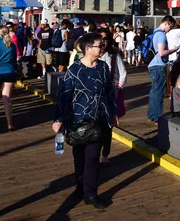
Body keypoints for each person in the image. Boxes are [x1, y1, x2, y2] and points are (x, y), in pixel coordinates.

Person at [53, 33, 117, 210]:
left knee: (92, 157)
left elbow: (109, 91)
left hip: (98, 119)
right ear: (88, 49)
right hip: (77, 119)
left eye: (102, 45)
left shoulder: (103, 67)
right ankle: (80, 186)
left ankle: (91, 194)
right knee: (79, 157)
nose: (103, 47)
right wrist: (58, 119)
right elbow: (64, 95)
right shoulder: (74, 69)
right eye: (99, 45)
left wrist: (113, 111)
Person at [98, 31, 127, 164]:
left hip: (110, 95)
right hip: (95, 97)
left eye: (105, 39)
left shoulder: (114, 56)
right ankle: (94, 153)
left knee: (108, 127)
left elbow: (123, 73)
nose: (103, 42)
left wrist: (118, 87)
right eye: (100, 39)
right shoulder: (91, 56)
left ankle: (105, 154)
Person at [147, 16, 178, 125]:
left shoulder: (155, 33)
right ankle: (157, 118)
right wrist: (173, 50)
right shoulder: (161, 35)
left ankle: (151, 115)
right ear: (166, 23)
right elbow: (161, 53)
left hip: (152, 65)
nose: (169, 29)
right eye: (170, 26)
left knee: (154, 91)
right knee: (159, 92)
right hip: (158, 66)